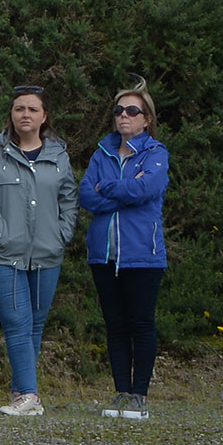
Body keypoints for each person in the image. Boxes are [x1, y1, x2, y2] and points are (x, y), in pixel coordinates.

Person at [0, 84, 78, 417]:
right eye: (18, 109)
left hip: (47, 256)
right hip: (3, 256)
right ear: (11, 115)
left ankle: (21, 391)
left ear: (44, 116)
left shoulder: (59, 155)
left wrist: (61, 234)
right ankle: (29, 394)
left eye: (32, 109)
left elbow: (69, 199)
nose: (24, 114)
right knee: (17, 322)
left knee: (34, 326)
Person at [80, 77, 171, 421]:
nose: (124, 116)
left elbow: (145, 190)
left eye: (132, 111)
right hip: (103, 255)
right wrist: (120, 191)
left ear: (146, 118)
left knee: (141, 324)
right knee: (115, 325)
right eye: (118, 110)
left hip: (142, 257)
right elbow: (86, 194)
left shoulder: (156, 153)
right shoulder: (101, 153)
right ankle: (121, 394)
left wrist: (110, 189)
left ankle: (140, 396)